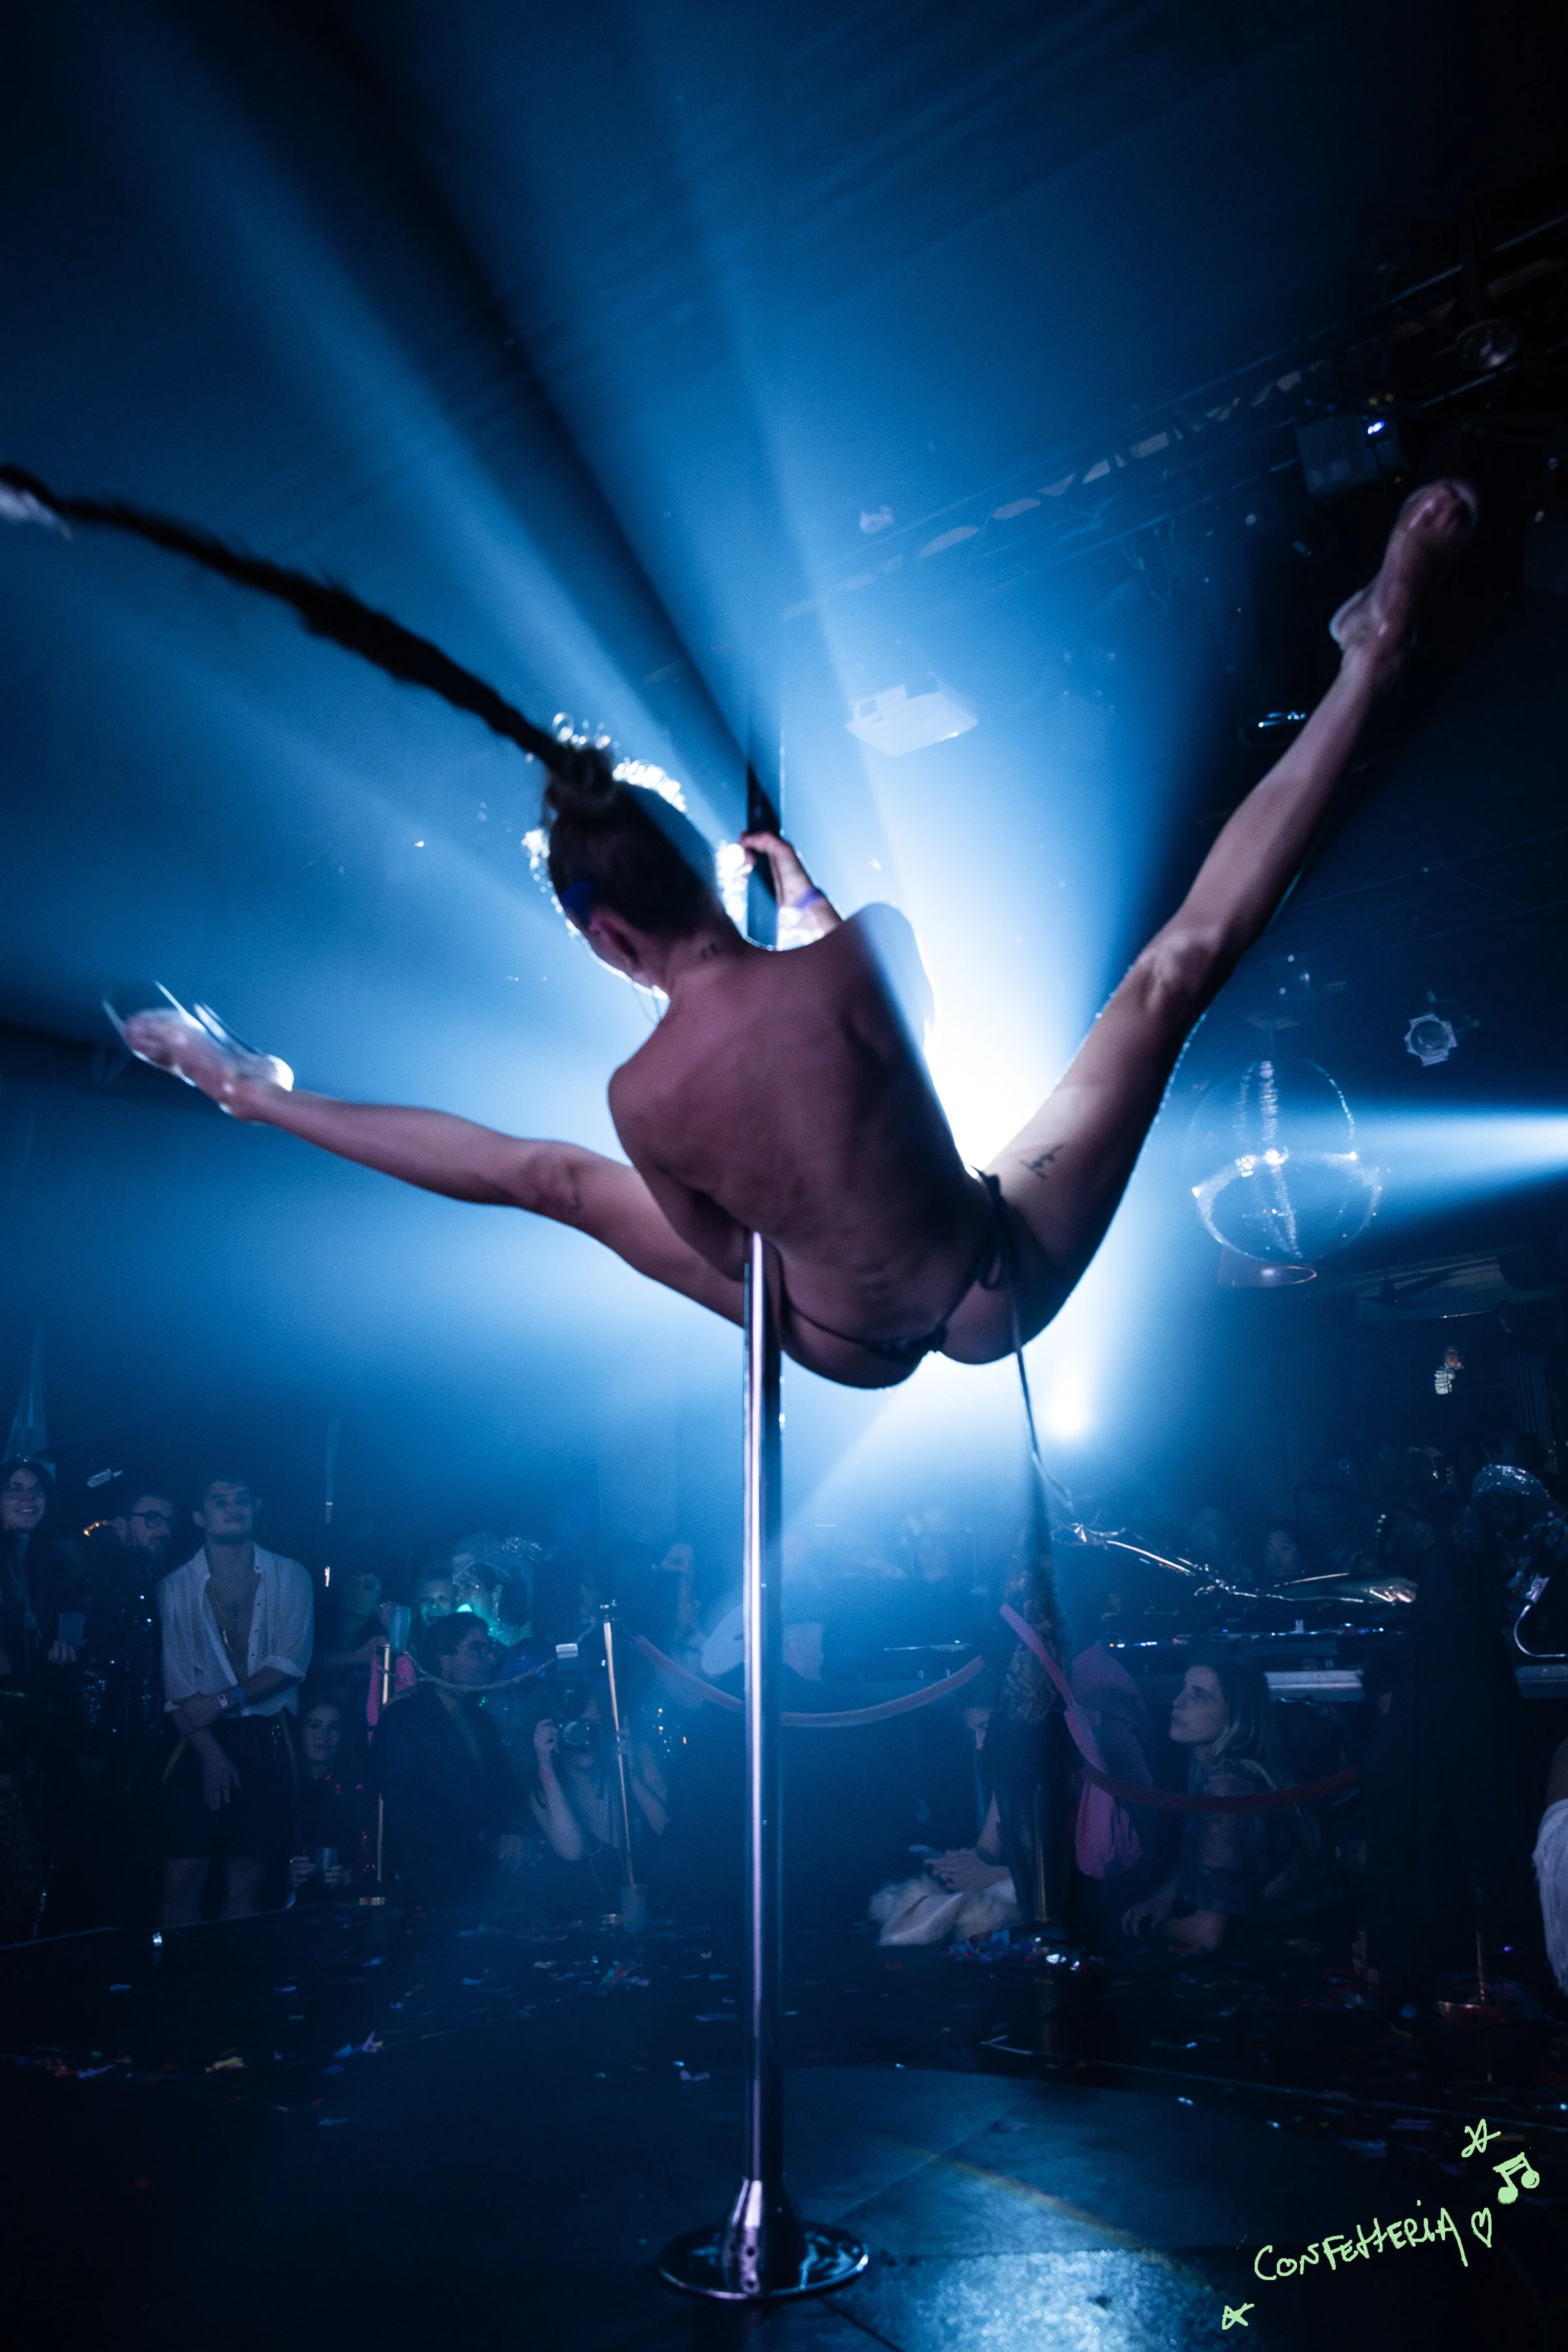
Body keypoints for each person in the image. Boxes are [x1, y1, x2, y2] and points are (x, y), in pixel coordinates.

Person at [112, 485, 1477, 1392]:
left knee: (556, 1180)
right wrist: (814, 907)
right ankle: (1370, 660)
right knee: (1172, 974)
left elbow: (729, 1256)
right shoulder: (859, 953)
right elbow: (919, 1056)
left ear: (602, 941)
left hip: (832, 1342)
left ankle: (250, 1092)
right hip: (990, 1286)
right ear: (715, 872)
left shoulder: (643, 1095)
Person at [155, 1472, 314, 1925]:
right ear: (199, 1516)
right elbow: (179, 1685)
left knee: (248, 1874)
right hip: (197, 1738)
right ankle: (170, 1987)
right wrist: (210, 1754)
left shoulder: (290, 1574)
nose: (233, 1507)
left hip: (267, 1734)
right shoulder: (175, 1586)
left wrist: (224, 1701)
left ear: (257, 1506)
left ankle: (232, 1985)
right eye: (220, 1500)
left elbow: (290, 1662)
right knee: (183, 1873)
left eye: (242, 1499)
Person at [1120, 1658, 1337, 1954]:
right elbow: (1206, 1862)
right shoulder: (1215, 1766)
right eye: (1184, 1689)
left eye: (1199, 1695)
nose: (1177, 1702)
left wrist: (1144, 1928)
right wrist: (1165, 1896)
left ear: (1236, 1714)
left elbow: (1207, 1934)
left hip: (1280, 1956)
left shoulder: (1229, 1786)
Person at [372, 1613, 526, 1901]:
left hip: (487, 1881)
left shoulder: (482, 1722)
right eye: (477, 1649)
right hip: (426, 1884)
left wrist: (513, 1834)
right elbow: (406, 1810)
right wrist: (485, 1841)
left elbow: (505, 1789)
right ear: (444, 1658)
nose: (489, 1658)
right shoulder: (404, 1718)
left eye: (489, 1647)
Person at [288, 1691, 377, 1897]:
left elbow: (370, 1856)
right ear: (300, 1730)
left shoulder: (356, 1788)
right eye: (314, 1725)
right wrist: (287, 1872)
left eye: (333, 1727)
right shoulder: (284, 1787)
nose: (324, 1735)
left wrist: (349, 1876)